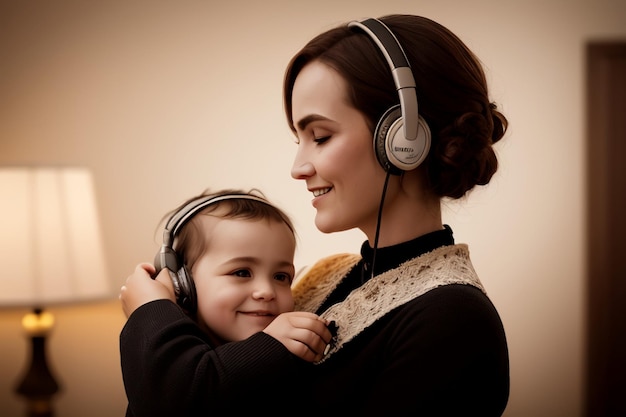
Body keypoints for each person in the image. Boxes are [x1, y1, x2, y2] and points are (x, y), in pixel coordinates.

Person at [282, 14, 510, 415]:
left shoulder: (453, 322)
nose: (298, 167)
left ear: (404, 138)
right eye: (298, 140)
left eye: (319, 137)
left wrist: (151, 321)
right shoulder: (325, 277)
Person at [119, 189, 333, 416]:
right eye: (241, 272)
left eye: (281, 276)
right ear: (182, 284)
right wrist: (150, 308)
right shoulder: (165, 366)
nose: (266, 291)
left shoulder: (289, 357)